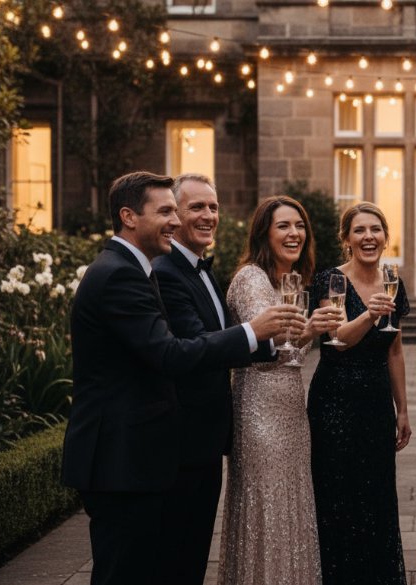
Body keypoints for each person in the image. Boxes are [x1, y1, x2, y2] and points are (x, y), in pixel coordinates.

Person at [62, 171, 293, 585]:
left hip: (140, 455)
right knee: (124, 574)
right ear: (129, 216)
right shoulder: (119, 274)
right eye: (166, 211)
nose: (175, 221)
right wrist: (252, 332)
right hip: (121, 457)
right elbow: (169, 353)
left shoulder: (137, 269)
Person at [150, 174, 276, 585]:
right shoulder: (167, 272)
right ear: (174, 216)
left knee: (193, 556)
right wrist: (256, 332)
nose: (208, 216)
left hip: (206, 439)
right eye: (196, 207)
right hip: (182, 442)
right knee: (175, 559)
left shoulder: (201, 269)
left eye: (214, 207)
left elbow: (222, 340)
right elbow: (194, 346)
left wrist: (273, 342)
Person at [219, 195, 341, 584]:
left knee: (292, 502)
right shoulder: (251, 278)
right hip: (260, 410)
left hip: (291, 409)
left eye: (300, 226)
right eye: (284, 226)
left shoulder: (292, 282)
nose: (294, 234)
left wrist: (309, 331)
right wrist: (310, 329)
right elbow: (267, 345)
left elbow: (292, 353)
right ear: (264, 233)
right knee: (267, 506)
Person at [308, 202, 411, 585]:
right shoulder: (330, 280)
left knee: (377, 498)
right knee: (338, 498)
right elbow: (337, 339)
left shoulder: (392, 281)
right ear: (346, 239)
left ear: (385, 237)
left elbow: (395, 350)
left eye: (375, 230)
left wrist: (402, 409)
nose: (369, 237)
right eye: (359, 230)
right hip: (335, 402)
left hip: (375, 403)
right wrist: (370, 313)